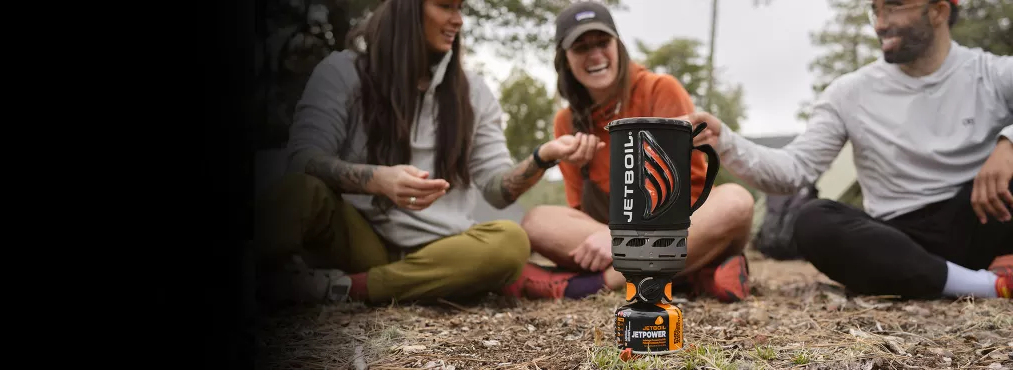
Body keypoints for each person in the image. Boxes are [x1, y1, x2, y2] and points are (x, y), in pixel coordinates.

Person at [254, 0, 606, 307]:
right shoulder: (341, 72)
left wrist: (542, 156)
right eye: (445, 6)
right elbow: (304, 159)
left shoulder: (475, 93)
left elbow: (496, 191)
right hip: (358, 242)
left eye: (460, 8)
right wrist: (377, 180)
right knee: (298, 190)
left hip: (442, 251)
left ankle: (346, 289)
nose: (458, 19)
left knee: (510, 241)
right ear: (407, 9)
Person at [679, 0, 1012, 300]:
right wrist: (724, 141)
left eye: (894, 7)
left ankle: (950, 277)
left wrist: (1008, 144)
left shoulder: (994, 74)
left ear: (938, 11)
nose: (880, 23)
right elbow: (794, 170)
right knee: (812, 220)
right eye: (876, 9)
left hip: (982, 216)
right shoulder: (849, 93)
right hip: (896, 239)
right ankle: (984, 286)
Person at [517, 1, 757, 303]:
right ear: (564, 60)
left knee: (737, 201)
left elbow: (687, 191)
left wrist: (620, 239)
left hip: (685, 227)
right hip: (615, 236)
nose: (595, 55)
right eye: (580, 47)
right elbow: (579, 214)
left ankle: (594, 284)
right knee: (536, 220)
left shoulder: (660, 89)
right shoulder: (566, 122)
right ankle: (696, 276)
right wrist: (613, 234)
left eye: (602, 42)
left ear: (618, 46)